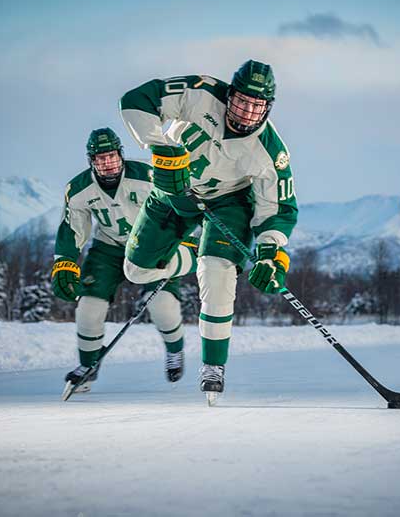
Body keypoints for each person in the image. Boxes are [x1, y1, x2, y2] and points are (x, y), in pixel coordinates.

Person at [119, 59, 298, 401]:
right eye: (242, 101)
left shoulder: (272, 153)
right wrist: (160, 147)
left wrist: (272, 253)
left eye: (257, 106)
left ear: (268, 108)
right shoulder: (199, 92)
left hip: (227, 203)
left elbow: (277, 210)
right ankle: (183, 257)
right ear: (230, 95)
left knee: (217, 271)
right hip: (172, 187)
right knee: (136, 271)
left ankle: (214, 366)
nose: (247, 112)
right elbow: (137, 99)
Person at [51, 127, 197, 393]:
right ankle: (88, 367)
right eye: (100, 158)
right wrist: (65, 262)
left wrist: (184, 240)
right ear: (91, 161)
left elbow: (181, 205)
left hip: (151, 247)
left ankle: (175, 351)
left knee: (162, 306)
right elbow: (73, 228)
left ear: (121, 154)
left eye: (111, 156)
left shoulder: (148, 176)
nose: (107, 163)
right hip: (109, 248)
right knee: (88, 308)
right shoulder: (79, 189)